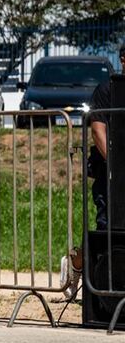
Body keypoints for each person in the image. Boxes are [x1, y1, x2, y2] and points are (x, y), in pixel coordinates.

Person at [61, 42, 124, 300]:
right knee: (105, 231)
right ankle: (78, 266)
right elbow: (98, 130)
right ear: (122, 59)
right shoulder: (107, 90)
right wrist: (117, 166)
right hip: (109, 176)